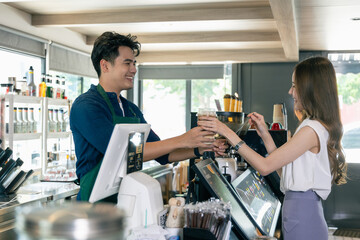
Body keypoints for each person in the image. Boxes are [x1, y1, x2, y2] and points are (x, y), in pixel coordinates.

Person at [198, 56, 347, 240]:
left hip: (303, 217)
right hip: (299, 213)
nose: (291, 91)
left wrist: (226, 131)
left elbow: (265, 166)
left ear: (310, 89)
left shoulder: (311, 129)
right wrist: (265, 135)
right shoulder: (311, 125)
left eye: (295, 85)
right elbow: (283, 171)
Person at [70, 31, 226, 202]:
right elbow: (123, 153)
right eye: (127, 63)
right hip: (93, 206)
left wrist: (199, 149)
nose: (134, 70)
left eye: (134, 63)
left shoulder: (131, 109)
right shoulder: (86, 106)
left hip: (126, 199)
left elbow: (163, 155)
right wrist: (184, 139)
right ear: (105, 66)